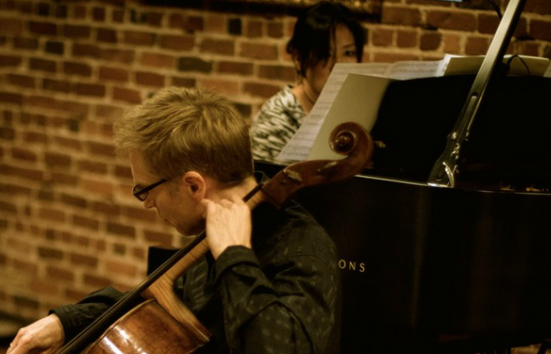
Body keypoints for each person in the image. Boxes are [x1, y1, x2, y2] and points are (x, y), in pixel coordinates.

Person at [7, 87, 340, 354]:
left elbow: (275, 346)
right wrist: (66, 323)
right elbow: (156, 300)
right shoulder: (209, 234)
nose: (147, 203)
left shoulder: (302, 249)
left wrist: (235, 257)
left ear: (194, 185)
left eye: (145, 190)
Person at [250, 1, 365, 162]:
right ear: (298, 58)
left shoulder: (361, 111)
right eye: (325, 53)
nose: (338, 66)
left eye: (348, 52)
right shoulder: (278, 117)